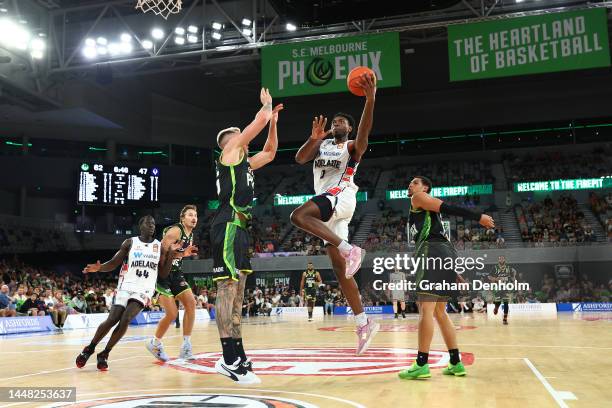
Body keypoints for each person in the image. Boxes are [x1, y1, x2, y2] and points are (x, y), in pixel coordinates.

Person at [290, 72, 379, 355]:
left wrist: (370, 100)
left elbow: (364, 135)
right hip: (331, 207)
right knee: (341, 274)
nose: (337, 123)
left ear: (349, 129)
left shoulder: (351, 146)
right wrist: (313, 138)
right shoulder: (323, 145)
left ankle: (351, 249)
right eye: (335, 121)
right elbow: (300, 158)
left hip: (341, 196)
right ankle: (364, 323)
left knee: (299, 216)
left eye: (342, 122)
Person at [211, 88, 282, 384]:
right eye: (239, 137)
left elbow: (270, 153)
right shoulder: (228, 155)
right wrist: (265, 109)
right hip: (227, 225)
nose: (244, 140)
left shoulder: (245, 165)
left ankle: (238, 353)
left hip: (240, 228)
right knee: (227, 289)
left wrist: (273, 121)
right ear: (229, 144)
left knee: (238, 292)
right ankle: (227, 358)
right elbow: (254, 128)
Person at [398, 176, 495, 380]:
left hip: (431, 251)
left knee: (426, 308)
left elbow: (448, 207)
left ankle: (421, 364)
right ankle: (455, 362)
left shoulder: (418, 198)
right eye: (411, 183)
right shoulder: (424, 209)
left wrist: (478, 217)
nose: (410, 185)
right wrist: (451, 270)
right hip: (443, 253)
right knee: (440, 312)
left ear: (425, 188)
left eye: (415, 182)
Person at [75, 216, 179, 371]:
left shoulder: (159, 247)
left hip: (144, 288)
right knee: (112, 319)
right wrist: (99, 268)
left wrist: (171, 255)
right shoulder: (130, 243)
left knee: (126, 319)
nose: (151, 226)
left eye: (153, 224)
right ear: (140, 226)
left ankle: (105, 354)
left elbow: (163, 274)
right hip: (126, 285)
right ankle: (89, 348)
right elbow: (114, 263)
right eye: (148, 223)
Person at [146, 205, 199, 362]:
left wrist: (184, 253)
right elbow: (161, 252)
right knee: (172, 314)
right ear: (182, 218)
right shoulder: (176, 231)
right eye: (190, 215)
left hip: (175, 273)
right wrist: (181, 253)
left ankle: (186, 347)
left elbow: (176, 255)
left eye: (196, 215)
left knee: (191, 303)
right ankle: (154, 343)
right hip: (161, 273)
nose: (194, 217)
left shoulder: (191, 235)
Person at [489, 255, 516, 325]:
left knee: (506, 303)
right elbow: (489, 276)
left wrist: (513, 282)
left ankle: (505, 319)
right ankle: (496, 308)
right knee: (498, 302)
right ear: (498, 260)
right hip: (497, 288)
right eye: (500, 259)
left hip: (506, 288)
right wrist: (495, 279)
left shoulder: (509, 268)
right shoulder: (495, 267)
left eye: (502, 258)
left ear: (504, 260)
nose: (501, 259)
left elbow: (513, 276)